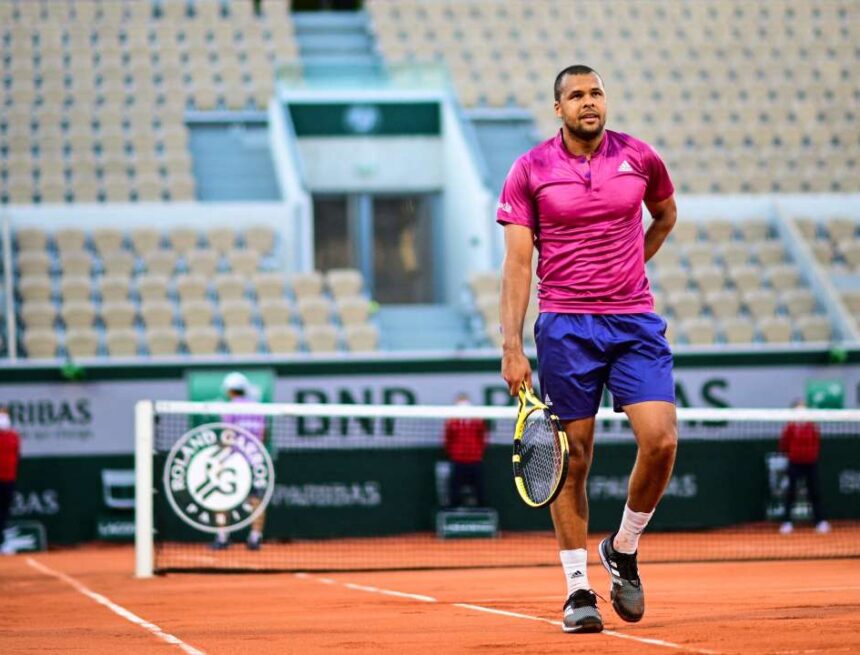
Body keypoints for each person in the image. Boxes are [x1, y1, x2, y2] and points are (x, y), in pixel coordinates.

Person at [498, 65, 678, 633]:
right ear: (559, 109)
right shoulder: (529, 169)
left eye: (596, 92)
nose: (589, 102)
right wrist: (511, 346)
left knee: (661, 440)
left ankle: (622, 549)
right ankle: (578, 589)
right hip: (565, 328)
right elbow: (518, 263)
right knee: (573, 459)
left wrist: (629, 268)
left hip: (633, 323)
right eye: (576, 95)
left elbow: (666, 215)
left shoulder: (640, 158)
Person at [212, 372, 269, 551]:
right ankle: (255, 537)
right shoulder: (257, 407)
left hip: (234, 462)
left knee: (223, 498)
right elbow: (263, 434)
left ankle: (222, 537)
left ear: (229, 390)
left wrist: (220, 460)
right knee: (257, 500)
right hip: (255, 460)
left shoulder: (230, 408)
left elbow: (228, 435)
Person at [779, 399, 830, 535]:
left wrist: (811, 455)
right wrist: (793, 455)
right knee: (791, 493)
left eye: (804, 408)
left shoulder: (812, 426)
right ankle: (787, 522)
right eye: (798, 409)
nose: (801, 411)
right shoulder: (790, 427)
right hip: (794, 463)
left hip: (810, 463)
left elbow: (816, 442)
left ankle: (820, 522)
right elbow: (784, 444)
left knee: (814, 492)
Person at [443, 393, 489, 508]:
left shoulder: (477, 421)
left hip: (475, 460)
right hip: (458, 461)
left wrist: (478, 452)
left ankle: (481, 512)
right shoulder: (451, 422)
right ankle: (453, 511)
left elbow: (483, 437)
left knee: (480, 489)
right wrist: (454, 453)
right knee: (454, 489)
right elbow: (447, 440)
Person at [0, 407, 21, 555]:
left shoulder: (14, 437)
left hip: (8, 480)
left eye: (4, 415)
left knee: (3, 512)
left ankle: (2, 543)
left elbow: (16, 456)